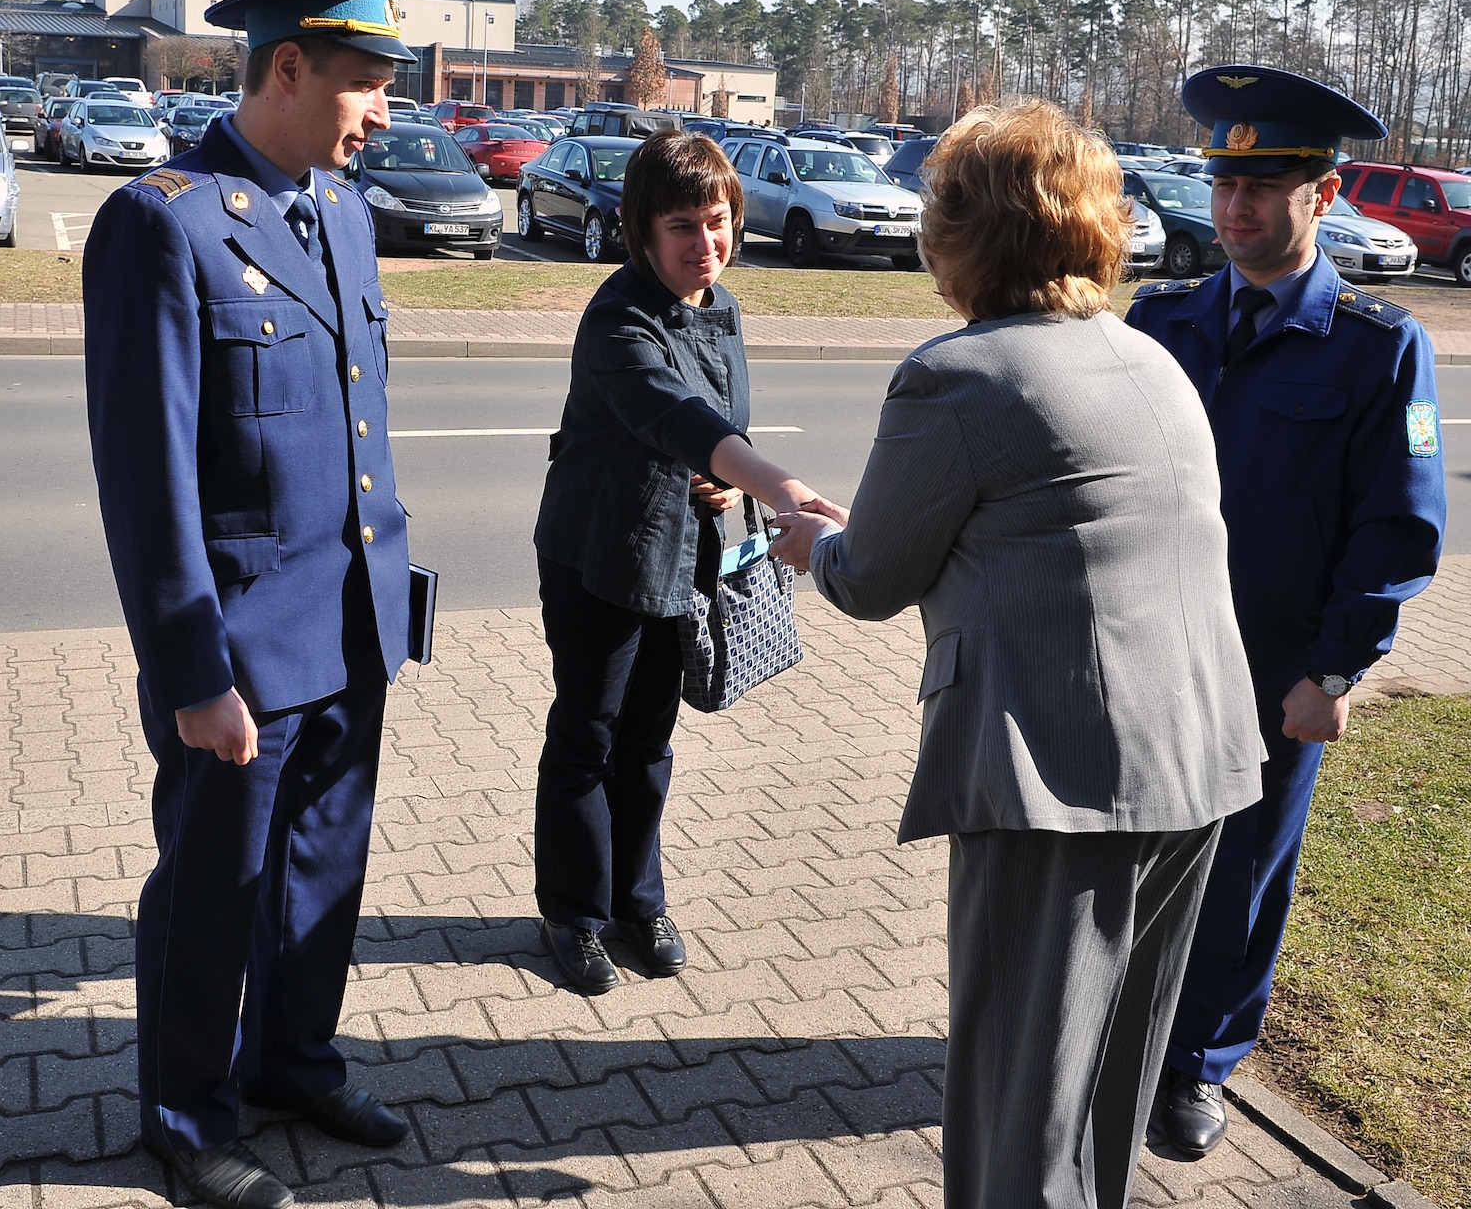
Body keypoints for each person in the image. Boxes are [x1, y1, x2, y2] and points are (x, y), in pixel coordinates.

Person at [774, 100, 1264, 1209]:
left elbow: (870, 578)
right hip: (1194, 767)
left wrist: (816, 543)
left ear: (960, 235)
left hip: (1058, 785)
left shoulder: (957, 375)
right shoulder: (1145, 360)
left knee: (1015, 1104)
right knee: (1107, 1090)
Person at [82, 0, 423, 1209]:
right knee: (214, 892)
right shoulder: (160, 225)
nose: (382, 109)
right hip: (236, 651)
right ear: (288, 67)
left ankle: (294, 1062)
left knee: (322, 875)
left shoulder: (337, 211)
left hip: (348, 628)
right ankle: (184, 1116)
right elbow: (144, 477)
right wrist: (189, 671)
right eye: (364, 81)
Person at [1125, 66, 1448, 1158]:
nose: (1234, 206)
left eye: (1265, 183)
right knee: (1126, 858)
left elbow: (1396, 529)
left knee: (1241, 874)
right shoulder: (1158, 320)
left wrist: (1334, 671)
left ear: (1325, 190)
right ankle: (1115, 1033)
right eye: (1223, 181)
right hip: (1141, 652)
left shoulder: (1375, 346)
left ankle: (1194, 1067)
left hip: (1271, 672)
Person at [531, 130, 817, 996]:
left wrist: (729, 488)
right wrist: (776, 482)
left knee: (650, 743)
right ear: (640, 233)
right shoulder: (617, 319)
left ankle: (637, 901)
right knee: (589, 737)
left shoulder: (722, 307)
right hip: (598, 558)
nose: (707, 245)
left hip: (680, 561)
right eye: (683, 227)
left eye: (719, 222)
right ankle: (572, 914)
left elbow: (718, 423)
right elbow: (675, 414)